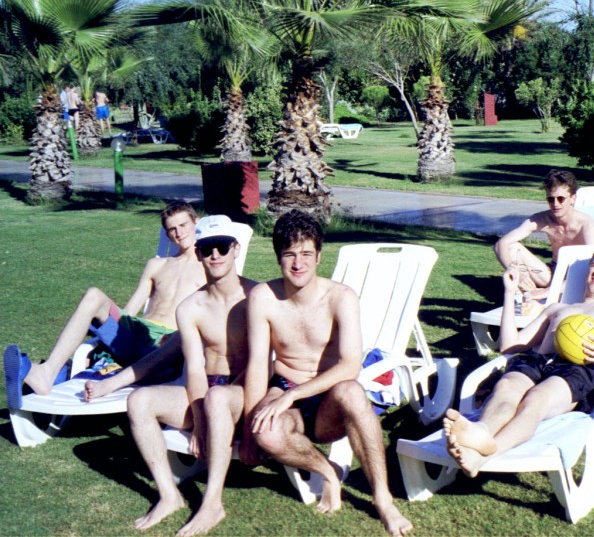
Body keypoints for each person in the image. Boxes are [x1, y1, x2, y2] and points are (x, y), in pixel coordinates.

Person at [240, 210, 412, 537]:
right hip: (285, 385)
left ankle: (383, 499)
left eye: (306, 253)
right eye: (289, 254)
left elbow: (350, 365)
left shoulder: (340, 297)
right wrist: (250, 429)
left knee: (352, 391)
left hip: (329, 397)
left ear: (319, 256)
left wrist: (293, 394)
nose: (298, 263)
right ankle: (328, 472)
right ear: (278, 257)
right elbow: (258, 364)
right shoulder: (263, 297)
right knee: (267, 433)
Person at [443, 244, 594, 478]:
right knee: (506, 388)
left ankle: (483, 455)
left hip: (578, 369)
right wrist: (509, 292)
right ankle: (481, 431)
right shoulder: (558, 308)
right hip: (537, 360)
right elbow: (508, 346)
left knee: (536, 399)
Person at [4, 201, 206, 407]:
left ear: (196, 222)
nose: (179, 233)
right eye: (172, 229)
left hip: (167, 344)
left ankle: (60, 374)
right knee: (93, 295)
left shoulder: (209, 267)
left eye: (183, 225)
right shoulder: (157, 265)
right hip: (137, 333)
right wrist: (109, 332)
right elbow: (130, 310)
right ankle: (48, 372)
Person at [127, 215, 256, 535]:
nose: (214, 255)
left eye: (222, 247)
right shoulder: (190, 307)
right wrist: (199, 422)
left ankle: (212, 504)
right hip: (205, 390)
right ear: (197, 252)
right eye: (207, 248)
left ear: (235, 249)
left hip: (241, 394)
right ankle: (169, 496)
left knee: (218, 397)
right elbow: (196, 368)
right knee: (139, 400)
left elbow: (260, 365)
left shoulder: (256, 297)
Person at [494, 169, 594, 302]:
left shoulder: (587, 225)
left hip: (576, 275)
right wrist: (515, 272)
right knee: (511, 247)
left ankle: (539, 295)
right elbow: (500, 244)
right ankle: (523, 293)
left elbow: (590, 267)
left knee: (586, 271)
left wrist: (547, 292)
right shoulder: (542, 219)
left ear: (573, 198)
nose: (555, 204)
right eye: (551, 199)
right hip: (552, 273)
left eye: (561, 199)